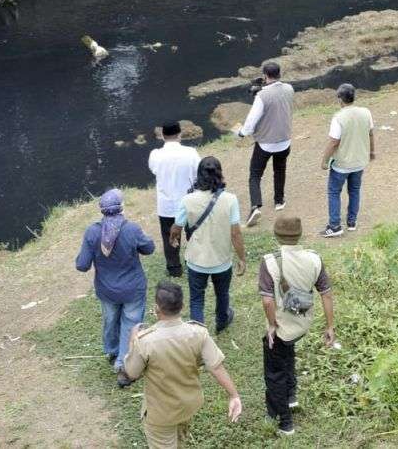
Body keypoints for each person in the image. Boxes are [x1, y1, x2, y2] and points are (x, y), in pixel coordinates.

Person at [124, 281, 242, 448]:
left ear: (157, 308)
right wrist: (234, 395)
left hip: (161, 413)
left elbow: (131, 372)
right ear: (183, 306)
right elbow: (216, 366)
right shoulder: (198, 333)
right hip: (188, 406)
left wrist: (132, 341)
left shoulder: (145, 341)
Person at [258, 216, 335, 436]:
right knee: (288, 356)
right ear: (299, 235)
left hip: (281, 329)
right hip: (301, 325)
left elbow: (267, 301)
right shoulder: (314, 259)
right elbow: (326, 294)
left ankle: (285, 423)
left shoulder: (269, 262)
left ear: (276, 235)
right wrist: (330, 327)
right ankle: (291, 397)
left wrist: (273, 325)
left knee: (274, 374)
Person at [75, 188, 155, 387]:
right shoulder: (132, 229)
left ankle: (111, 351)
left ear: (101, 210)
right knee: (131, 324)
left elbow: (82, 265)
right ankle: (123, 364)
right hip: (132, 289)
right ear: (121, 208)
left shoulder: (92, 232)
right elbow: (149, 248)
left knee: (110, 320)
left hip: (107, 290)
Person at [168, 156, 246, 333]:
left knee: (197, 299)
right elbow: (235, 233)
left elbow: (176, 227)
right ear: (220, 174)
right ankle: (222, 320)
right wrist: (242, 258)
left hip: (196, 260)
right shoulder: (230, 199)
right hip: (222, 259)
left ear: (198, 175)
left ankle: (198, 332)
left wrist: (173, 238)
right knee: (222, 294)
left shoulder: (187, 200)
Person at [237, 61, 295, 226]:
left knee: (255, 174)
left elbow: (251, 121)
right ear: (279, 73)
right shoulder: (289, 88)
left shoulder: (262, 96)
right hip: (284, 140)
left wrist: (242, 133)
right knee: (280, 169)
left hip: (265, 143)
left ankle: (255, 206)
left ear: (265, 75)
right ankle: (279, 201)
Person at [320, 83, 375, 238]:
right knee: (355, 190)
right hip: (360, 161)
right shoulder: (366, 112)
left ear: (340, 99)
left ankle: (335, 225)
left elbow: (333, 142)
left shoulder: (338, 117)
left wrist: (324, 161)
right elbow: (371, 133)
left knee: (334, 192)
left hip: (342, 164)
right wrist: (371, 152)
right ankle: (352, 222)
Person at [148, 122, 200, 277]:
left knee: (169, 236)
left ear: (163, 136)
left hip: (166, 204)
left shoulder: (155, 155)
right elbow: (199, 173)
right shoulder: (191, 152)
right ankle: (195, 263)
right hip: (189, 201)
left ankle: (174, 268)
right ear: (180, 134)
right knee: (193, 234)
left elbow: (153, 169)